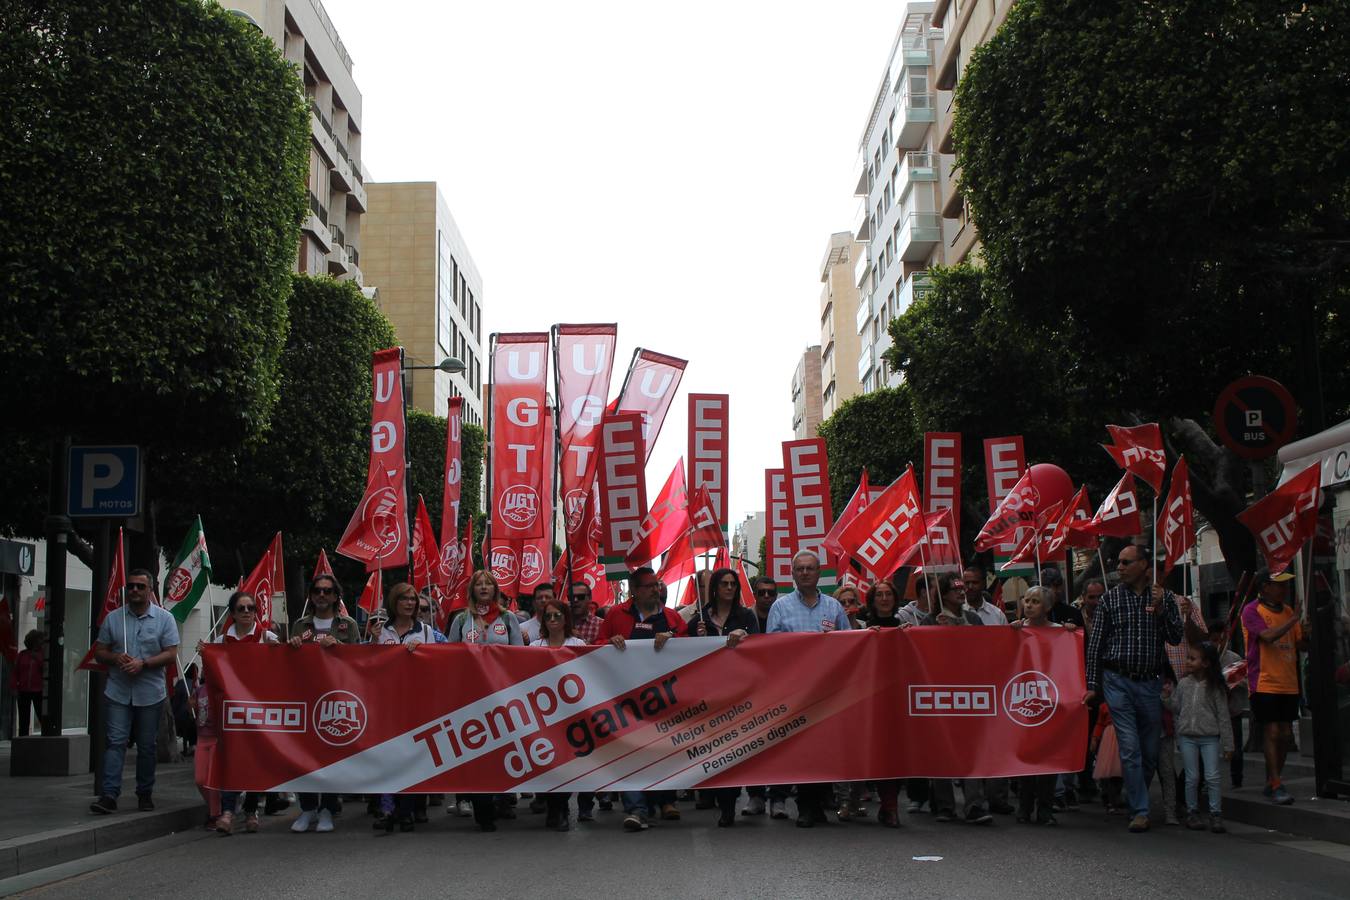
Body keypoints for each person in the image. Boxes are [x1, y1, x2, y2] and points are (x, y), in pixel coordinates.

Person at [1083, 544, 1184, 833]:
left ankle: (1134, 787)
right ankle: (1140, 809)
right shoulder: (1110, 600)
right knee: (1129, 746)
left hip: (1150, 683)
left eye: (1127, 562)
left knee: (1149, 749)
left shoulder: (1163, 598)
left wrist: (1163, 607)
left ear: (1144, 565)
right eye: (1119, 562)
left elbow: (1175, 637)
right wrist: (1093, 685)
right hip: (1118, 681)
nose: (1121, 567)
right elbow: (1096, 647)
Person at [597, 566, 689, 831]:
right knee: (632, 751)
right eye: (649, 586)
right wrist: (609, 642)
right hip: (629, 698)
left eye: (657, 585)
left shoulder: (672, 617)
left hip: (665, 697)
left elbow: (689, 644)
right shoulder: (616, 614)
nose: (655, 589)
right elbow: (597, 644)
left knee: (664, 748)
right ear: (634, 591)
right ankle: (636, 809)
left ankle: (666, 800)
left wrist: (672, 637)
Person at [766, 551, 852, 827]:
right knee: (802, 749)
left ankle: (820, 803)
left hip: (828, 689)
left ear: (818, 573)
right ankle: (805, 807)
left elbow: (850, 642)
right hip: (796, 690)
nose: (804, 573)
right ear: (792, 574)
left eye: (810, 568)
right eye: (799, 569)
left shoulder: (833, 607)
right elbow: (771, 649)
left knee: (825, 748)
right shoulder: (780, 608)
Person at [90, 569, 181, 815]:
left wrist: (144, 663)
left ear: (150, 590)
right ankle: (109, 795)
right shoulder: (113, 619)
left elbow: (171, 653)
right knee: (115, 742)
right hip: (118, 691)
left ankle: (145, 793)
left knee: (147, 746)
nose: (135, 591)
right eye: (130, 586)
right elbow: (99, 652)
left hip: (150, 692)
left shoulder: (164, 619)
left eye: (140, 586)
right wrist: (116, 657)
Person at [448, 570, 525, 831]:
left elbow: (519, 658)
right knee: (477, 750)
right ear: (472, 590)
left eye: (488, 584)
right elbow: (448, 657)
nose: (483, 588)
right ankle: (482, 806)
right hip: (471, 696)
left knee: (503, 748)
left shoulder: (508, 618)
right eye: (478, 584)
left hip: (501, 695)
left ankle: (504, 799)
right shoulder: (461, 619)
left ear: (495, 590)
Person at [288, 575, 360, 833]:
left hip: (337, 697)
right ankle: (307, 808)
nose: (322, 595)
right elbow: (289, 664)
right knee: (303, 754)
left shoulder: (348, 625)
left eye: (327, 591)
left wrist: (339, 646)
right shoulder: (299, 625)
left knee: (333, 755)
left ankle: (328, 808)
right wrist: (292, 646)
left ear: (335, 596)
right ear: (311, 595)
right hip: (307, 697)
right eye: (317, 590)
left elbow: (359, 660)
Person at [921, 573, 993, 825]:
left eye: (962, 589)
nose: (961, 593)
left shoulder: (972, 619)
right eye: (955, 590)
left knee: (972, 749)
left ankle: (974, 804)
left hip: (969, 691)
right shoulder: (929, 621)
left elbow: (985, 648)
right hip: (940, 692)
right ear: (943, 594)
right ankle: (944, 805)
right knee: (941, 749)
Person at [203, 590, 278, 833]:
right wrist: (206, 655)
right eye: (241, 609)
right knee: (231, 757)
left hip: (258, 707)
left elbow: (283, 669)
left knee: (254, 759)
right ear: (233, 614)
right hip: (232, 710)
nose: (246, 612)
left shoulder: (267, 637)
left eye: (251, 608)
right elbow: (210, 675)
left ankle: (251, 810)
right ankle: (227, 811)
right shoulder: (221, 641)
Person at [689, 567, 757, 826]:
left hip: (739, 693)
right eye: (724, 584)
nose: (729, 588)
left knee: (736, 750)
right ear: (715, 588)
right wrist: (697, 637)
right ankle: (722, 800)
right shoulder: (701, 620)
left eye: (733, 584)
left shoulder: (746, 616)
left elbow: (762, 647)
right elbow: (681, 647)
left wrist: (746, 636)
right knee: (715, 752)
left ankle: (732, 801)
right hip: (709, 695)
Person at [1241, 568, 1305, 806]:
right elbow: (1267, 636)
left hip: (1289, 682)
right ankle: (1276, 782)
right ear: (1264, 587)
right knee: (1273, 731)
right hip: (1264, 682)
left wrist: (1307, 631)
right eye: (1279, 584)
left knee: (1286, 734)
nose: (1284, 589)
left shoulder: (1288, 612)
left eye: (1286, 585)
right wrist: (1293, 621)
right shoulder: (1251, 611)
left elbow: (1300, 643)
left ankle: (1273, 780)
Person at [1010, 586, 1067, 825]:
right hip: (1022, 699)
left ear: (1047, 607)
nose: (1030, 605)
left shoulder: (1060, 632)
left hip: (1051, 701)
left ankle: (1045, 809)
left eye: (1036, 601)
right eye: (1027, 600)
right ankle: (1024, 807)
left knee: (1048, 757)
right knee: (1027, 756)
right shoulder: (1017, 629)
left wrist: (1070, 633)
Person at [1163, 642, 1233, 833]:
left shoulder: (1215, 687)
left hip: (1210, 737)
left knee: (1212, 776)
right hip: (1187, 737)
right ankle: (1192, 812)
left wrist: (1228, 744)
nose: (1188, 661)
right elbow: (1177, 707)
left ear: (1206, 663)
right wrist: (1167, 698)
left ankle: (1215, 813)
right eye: (1188, 658)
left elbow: (1223, 716)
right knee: (1192, 777)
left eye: (1193, 658)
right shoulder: (1184, 683)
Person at [863, 577, 905, 827]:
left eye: (888, 594)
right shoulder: (860, 626)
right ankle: (853, 800)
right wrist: (862, 637)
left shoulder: (905, 625)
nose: (884, 599)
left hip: (898, 697)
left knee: (894, 753)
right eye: (879, 595)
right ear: (872, 600)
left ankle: (890, 806)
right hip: (866, 698)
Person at [1208, 619, 1250, 789]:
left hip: (1232, 710)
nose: (1218, 644)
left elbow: (1246, 683)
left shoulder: (1234, 658)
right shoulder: (1205, 658)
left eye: (1221, 640)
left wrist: (1232, 679)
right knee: (1209, 747)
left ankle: (1237, 779)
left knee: (1236, 747)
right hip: (1210, 711)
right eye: (1214, 640)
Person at [13, 629, 43, 737]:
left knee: (41, 715)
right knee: (23, 719)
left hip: (38, 690)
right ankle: (23, 740)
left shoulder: (42, 654)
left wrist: (38, 660)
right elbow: (16, 672)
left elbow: (45, 670)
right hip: (23, 690)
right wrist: (15, 688)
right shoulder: (22, 654)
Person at [171, 662, 199, 756]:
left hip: (181, 716)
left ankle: (190, 747)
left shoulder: (181, 683)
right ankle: (193, 746)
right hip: (192, 716)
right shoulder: (197, 685)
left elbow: (176, 702)